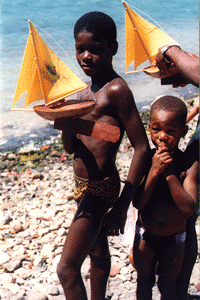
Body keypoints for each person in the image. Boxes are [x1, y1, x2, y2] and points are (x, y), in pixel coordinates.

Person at [54, 12, 149, 300]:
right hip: (81, 185)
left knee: (67, 270)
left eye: (95, 49)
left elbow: (141, 146)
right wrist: (65, 121)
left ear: (113, 49)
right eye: (79, 49)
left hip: (100, 188)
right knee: (96, 251)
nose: (85, 56)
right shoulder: (83, 91)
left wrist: (124, 204)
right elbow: (92, 140)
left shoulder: (116, 90)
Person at [131, 96, 198, 300]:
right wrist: (153, 172)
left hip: (175, 239)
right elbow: (138, 202)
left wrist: (169, 174)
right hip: (145, 236)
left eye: (170, 131)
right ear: (149, 127)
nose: (162, 136)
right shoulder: (144, 160)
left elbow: (189, 209)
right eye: (156, 129)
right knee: (144, 281)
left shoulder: (189, 165)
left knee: (168, 285)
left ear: (183, 132)